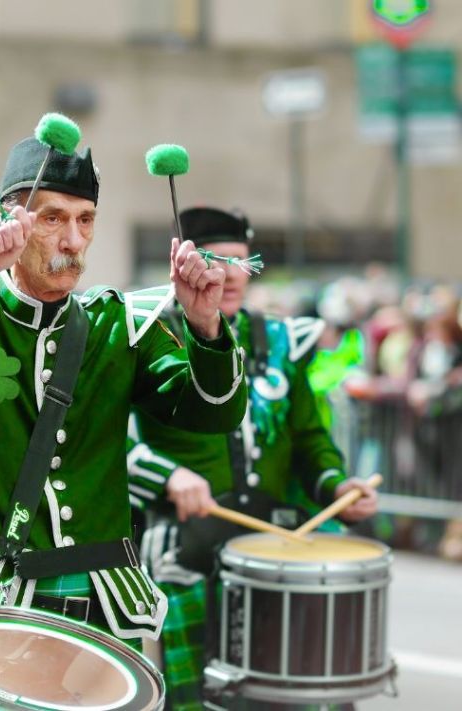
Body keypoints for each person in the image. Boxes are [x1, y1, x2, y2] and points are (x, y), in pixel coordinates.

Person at [0, 127, 248, 646]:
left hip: (105, 599)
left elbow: (213, 415)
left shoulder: (119, 323)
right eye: (52, 219)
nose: (72, 240)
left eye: (84, 220)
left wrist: (205, 329)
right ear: (9, 220)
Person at [129, 206, 379, 709]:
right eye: (213, 260)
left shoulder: (280, 342)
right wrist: (168, 476)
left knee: (300, 689)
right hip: (189, 548)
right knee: (198, 698)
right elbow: (106, 440)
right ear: (184, 266)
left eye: (242, 261)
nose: (229, 274)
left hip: (275, 542)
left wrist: (335, 486)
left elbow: (309, 436)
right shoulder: (147, 335)